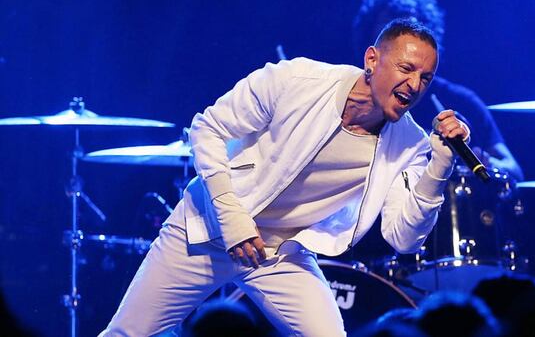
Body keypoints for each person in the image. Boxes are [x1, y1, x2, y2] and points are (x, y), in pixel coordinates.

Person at [100, 19, 469, 336]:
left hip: (279, 253)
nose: (416, 85)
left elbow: (403, 238)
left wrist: (440, 164)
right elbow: (208, 129)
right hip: (208, 227)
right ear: (372, 59)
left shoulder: (410, 143)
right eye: (406, 69)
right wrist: (232, 217)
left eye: (426, 78)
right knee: (128, 333)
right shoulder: (296, 79)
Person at [353, 0, 523, 181]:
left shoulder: (460, 101)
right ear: (372, 53)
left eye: (414, 31)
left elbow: (514, 170)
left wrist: (482, 161)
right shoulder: (350, 93)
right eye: (393, 32)